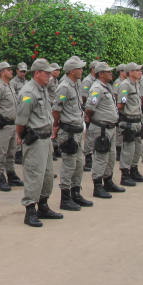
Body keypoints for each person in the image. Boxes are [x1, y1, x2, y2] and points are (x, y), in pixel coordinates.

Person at [15, 58, 63, 227]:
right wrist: (22, 136)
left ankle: (43, 206)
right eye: (47, 73)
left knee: (47, 175)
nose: (50, 76)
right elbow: (21, 120)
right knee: (34, 175)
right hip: (34, 140)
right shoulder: (28, 92)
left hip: (45, 139)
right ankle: (30, 211)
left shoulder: (42, 89)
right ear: (37, 73)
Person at [52, 56, 93, 211]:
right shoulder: (64, 87)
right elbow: (56, 109)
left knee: (78, 164)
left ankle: (76, 193)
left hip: (76, 130)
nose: (82, 70)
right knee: (69, 165)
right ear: (71, 71)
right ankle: (65, 197)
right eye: (79, 68)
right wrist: (56, 126)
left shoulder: (76, 84)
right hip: (67, 131)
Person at [85, 62, 124, 199]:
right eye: (108, 71)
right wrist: (91, 119)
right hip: (101, 128)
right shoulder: (97, 88)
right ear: (101, 74)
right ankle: (97, 185)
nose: (110, 73)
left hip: (110, 127)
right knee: (101, 157)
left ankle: (108, 181)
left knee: (111, 156)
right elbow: (90, 107)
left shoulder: (106, 86)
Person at [0, 62, 23, 191]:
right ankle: (0, 177)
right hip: (3, 125)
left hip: (13, 125)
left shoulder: (10, 86)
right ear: (2, 72)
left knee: (11, 151)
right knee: (0, 152)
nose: (11, 72)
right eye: (9, 70)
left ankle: (11, 175)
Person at [116, 63, 143, 187]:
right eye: (137, 70)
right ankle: (125, 174)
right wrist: (125, 116)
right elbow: (120, 104)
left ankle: (134, 170)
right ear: (130, 72)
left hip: (137, 120)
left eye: (140, 70)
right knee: (128, 149)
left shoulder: (137, 84)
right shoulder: (125, 85)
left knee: (137, 148)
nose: (140, 72)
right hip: (129, 121)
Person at [81, 61, 98, 172]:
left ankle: (93, 157)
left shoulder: (96, 81)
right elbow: (84, 97)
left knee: (94, 135)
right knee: (89, 136)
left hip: (96, 111)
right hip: (90, 110)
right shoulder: (87, 81)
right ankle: (88, 159)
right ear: (92, 69)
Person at [11, 62, 28, 165]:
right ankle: (17, 153)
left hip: (26, 110)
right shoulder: (13, 83)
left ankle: (24, 151)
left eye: (24, 71)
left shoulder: (27, 82)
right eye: (21, 71)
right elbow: (15, 98)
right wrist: (27, 99)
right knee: (17, 132)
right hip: (17, 110)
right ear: (17, 71)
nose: (23, 73)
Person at [112, 64, 127, 160]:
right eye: (125, 71)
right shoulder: (118, 83)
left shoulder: (126, 82)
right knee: (119, 132)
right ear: (121, 72)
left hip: (125, 110)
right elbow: (115, 95)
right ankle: (118, 151)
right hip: (119, 109)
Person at [47, 63, 62, 160]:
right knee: (51, 130)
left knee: (56, 129)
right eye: (55, 70)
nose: (58, 72)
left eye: (59, 70)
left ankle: (55, 149)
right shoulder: (49, 80)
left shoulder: (57, 81)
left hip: (55, 107)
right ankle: (50, 152)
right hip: (50, 107)